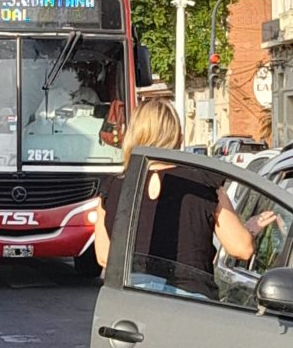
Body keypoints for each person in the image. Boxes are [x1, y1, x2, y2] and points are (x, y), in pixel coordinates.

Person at [94, 99, 269, 299]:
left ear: (133, 135)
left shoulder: (112, 187)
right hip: (190, 304)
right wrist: (252, 229)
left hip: (133, 300)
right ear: (177, 136)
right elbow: (242, 249)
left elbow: (104, 256)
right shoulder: (203, 182)